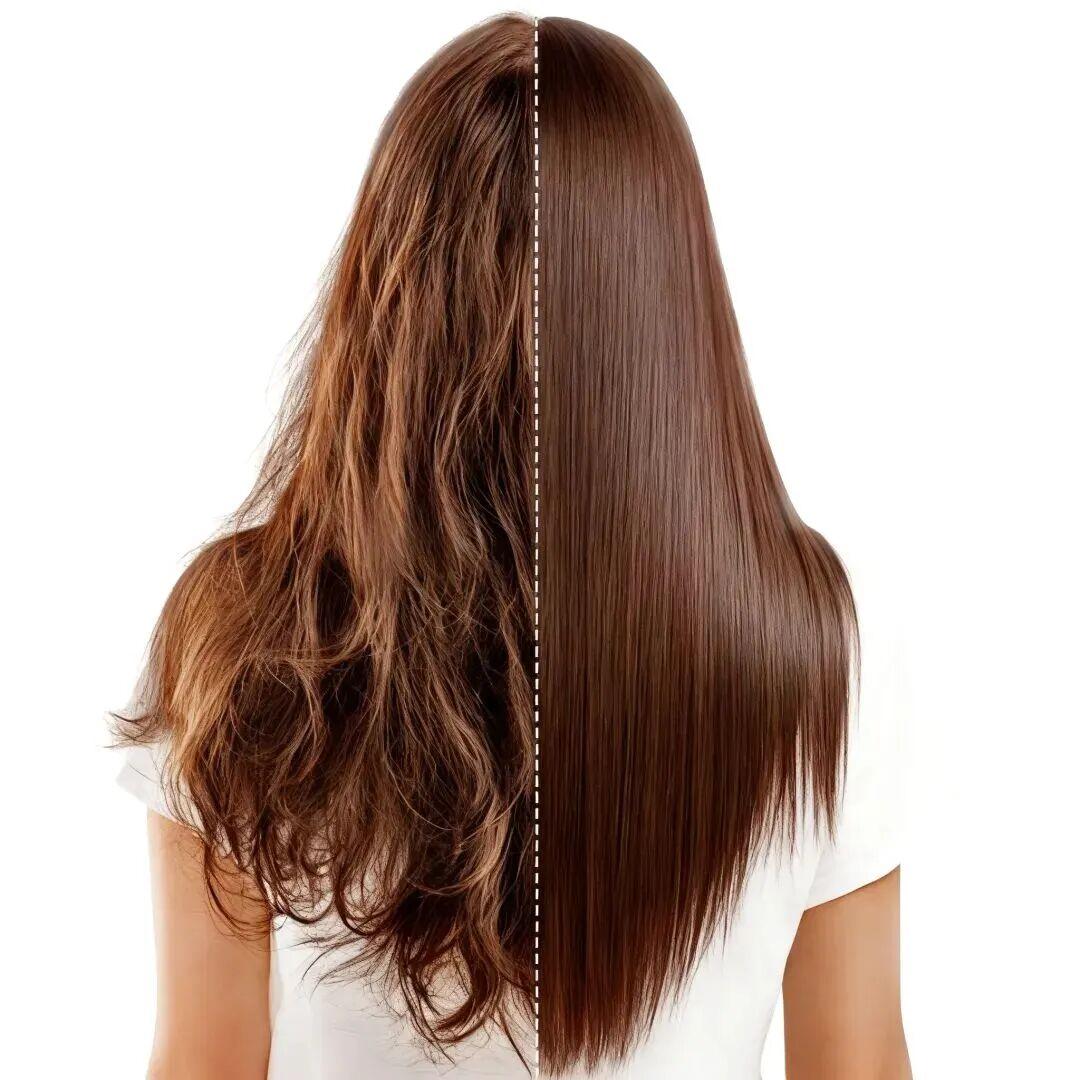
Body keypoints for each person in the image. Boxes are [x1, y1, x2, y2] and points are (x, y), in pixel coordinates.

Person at [115, 15, 911, 1079]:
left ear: (392, 292)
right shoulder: (815, 640)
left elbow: (203, 1061)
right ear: (667, 295)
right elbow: (858, 1062)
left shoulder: (245, 630)